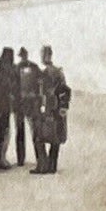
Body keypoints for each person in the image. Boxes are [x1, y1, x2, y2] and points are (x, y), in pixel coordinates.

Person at [31, 45, 71, 175]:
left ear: (47, 56)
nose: (42, 57)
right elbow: (65, 90)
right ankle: (51, 166)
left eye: (43, 54)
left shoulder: (45, 73)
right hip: (56, 110)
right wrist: (63, 107)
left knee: (39, 137)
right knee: (55, 138)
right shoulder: (58, 72)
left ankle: (43, 166)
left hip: (48, 110)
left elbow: (42, 93)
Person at [13, 47, 40, 168]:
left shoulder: (18, 68)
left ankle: (29, 159)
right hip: (23, 104)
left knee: (32, 131)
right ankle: (21, 160)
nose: (22, 57)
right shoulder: (30, 67)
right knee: (23, 132)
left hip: (26, 103)